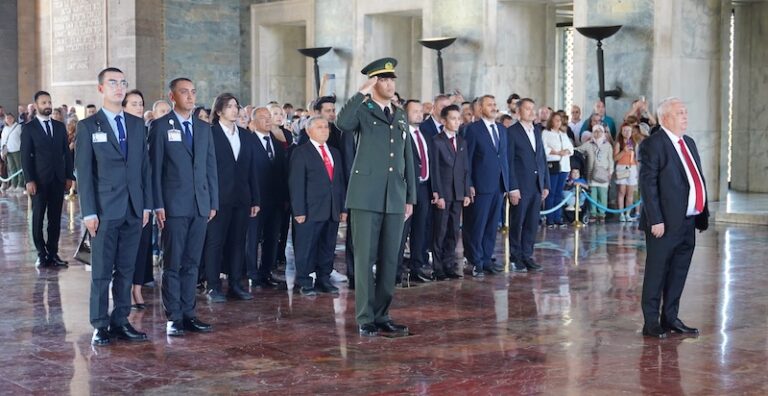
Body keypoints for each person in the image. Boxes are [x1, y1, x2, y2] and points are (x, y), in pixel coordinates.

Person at [336, 57, 416, 337]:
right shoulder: (363, 109)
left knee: (390, 259)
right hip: (366, 197)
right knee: (364, 257)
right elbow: (342, 123)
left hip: (394, 196)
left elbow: (408, 157)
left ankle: (383, 314)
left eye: (392, 79)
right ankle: (365, 317)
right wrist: (361, 92)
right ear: (373, 82)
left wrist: (410, 197)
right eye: (383, 79)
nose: (390, 84)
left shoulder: (400, 113)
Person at [75, 67, 152, 346]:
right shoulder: (88, 126)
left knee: (126, 268)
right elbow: (84, 173)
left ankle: (121, 320)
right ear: (100, 89)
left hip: (134, 208)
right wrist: (89, 212)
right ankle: (99, 324)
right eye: (112, 83)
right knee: (101, 270)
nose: (119, 88)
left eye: (123, 83)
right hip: (105, 210)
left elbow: (144, 169)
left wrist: (147, 206)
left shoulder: (135, 124)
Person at [150, 77, 218, 337]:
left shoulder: (203, 128)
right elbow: (155, 170)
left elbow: (210, 167)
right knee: (173, 263)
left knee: (192, 263)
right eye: (184, 92)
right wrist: (157, 204)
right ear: (172, 96)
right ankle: (174, 316)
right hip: (173, 206)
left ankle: (190, 313)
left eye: (193, 92)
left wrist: (212, 201)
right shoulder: (159, 127)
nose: (190, 96)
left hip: (200, 205)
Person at [639, 97, 708, 338]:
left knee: (679, 271)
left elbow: (695, 178)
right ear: (665, 118)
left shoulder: (688, 142)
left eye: (686, 112)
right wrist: (655, 219)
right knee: (657, 272)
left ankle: (670, 318)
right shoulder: (653, 144)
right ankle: (651, 322)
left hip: (688, 221)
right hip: (663, 223)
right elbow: (647, 186)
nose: (685, 116)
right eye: (680, 113)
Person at [202, 93, 260, 303]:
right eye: (230, 106)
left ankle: (236, 284)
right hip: (218, 199)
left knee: (238, 242)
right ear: (218, 111)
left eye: (236, 106)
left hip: (242, 198)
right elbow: (205, 170)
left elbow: (252, 169)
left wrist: (255, 199)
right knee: (215, 243)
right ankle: (213, 286)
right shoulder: (209, 133)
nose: (235, 110)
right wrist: (208, 200)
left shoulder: (245, 135)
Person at [289, 116, 346, 296]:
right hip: (309, 210)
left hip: (332, 209)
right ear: (309, 131)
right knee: (306, 246)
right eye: (319, 127)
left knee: (328, 246)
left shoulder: (335, 152)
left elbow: (340, 183)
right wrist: (298, 210)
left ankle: (324, 279)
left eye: (326, 127)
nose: (324, 130)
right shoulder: (301, 152)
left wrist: (343, 208)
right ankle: (304, 281)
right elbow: (296, 184)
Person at [20, 91, 75, 268]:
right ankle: (41, 253)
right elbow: (25, 157)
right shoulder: (29, 128)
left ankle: (52, 253)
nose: (48, 105)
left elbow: (66, 153)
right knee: (37, 218)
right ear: (36, 106)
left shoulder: (59, 127)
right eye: (44, 102)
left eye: (49, 102)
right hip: (39, 181)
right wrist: (29, 180)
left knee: (55, 219)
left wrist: (69, 176)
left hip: (58, 180)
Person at [463, 95, 509, 277]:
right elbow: (467, 159)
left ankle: (487, 258)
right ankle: (475, 261)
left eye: (495, 104)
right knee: (476, 225)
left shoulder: (501, 129)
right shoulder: (472, 130)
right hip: (480, 185)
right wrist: (469, 184)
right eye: (489, 105)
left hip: (498, 184)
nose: (493, 107)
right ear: (480, 108)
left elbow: (503, 158)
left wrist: (507, 183)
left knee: (492, 225)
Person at [246, 107, 289, 289]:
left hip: (276, 201)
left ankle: (266, 272)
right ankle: (252, 274)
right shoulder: (247, 142)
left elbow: (283, 173)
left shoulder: (278, 144)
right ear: (253, 122)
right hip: (255, 201)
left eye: (269, 117)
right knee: (253, 238)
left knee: (272, 237)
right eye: (263, 117)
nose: (268, 120)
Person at [507, 98, 549, 272]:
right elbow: (509, 162)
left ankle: (527, 254)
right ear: (518, 112)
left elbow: (542, 159)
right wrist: (513, 187)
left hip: (536, 185)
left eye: (533, 109)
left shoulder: (537, 130)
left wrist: (545, 183)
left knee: (532, 223)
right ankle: (515, 257)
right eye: (527, 109)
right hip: (521, 186)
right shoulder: (512, 132)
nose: (532, 112)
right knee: (518, 222)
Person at [120, 89, 153, 309]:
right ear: (123, 107)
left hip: (141, 200)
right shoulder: (115, 130)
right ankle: (124, 291)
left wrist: (148, 205)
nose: (139, 107)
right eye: (134, 103)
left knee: (142, 247)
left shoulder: (142, 129)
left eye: (141, 103)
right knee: (124, 250)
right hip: (118, 200)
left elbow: (146, 170)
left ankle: (137, 288)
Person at [430, 104, 470, 280]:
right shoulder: (436, 141)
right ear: (444, 121)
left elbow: (465, 169)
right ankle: (437, 267)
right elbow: (435, 169)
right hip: (444, 193)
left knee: (454, 231)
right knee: (440, 231)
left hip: (458, 193)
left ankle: (449, 264)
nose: (457, 122)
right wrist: (437, 193)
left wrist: (467, 192)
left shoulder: (462, 141)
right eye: (453, 118)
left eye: (458, 119)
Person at [398, 100, 433, 283]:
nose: (419, 114)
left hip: (424, 188)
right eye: (415, 111)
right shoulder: (400, 134)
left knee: (421, 230)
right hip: (405, 190)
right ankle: (395, 271)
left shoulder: (425, 134)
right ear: (405, 114)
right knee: (401, 232)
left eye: (421, 111)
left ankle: (416, 268)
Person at [576, 124, 613, 223]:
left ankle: (601, 214)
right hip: (591, 174)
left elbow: (610, 160)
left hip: (603, 174)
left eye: (600, 131)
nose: (598, 133)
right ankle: (593, 214)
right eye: (595, 131)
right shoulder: (589, 144)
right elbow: (578, 149)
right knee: (593, 195)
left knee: (603, 195)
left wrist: (610, 172)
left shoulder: (607, 145)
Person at [542, 112, 573, 227]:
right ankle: (549, 218)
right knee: (551, 192)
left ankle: (557, 217)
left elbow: (571, 147)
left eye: (560, 120)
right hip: (553, 164)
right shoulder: (546, 133)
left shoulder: (563, 134)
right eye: (556, 120)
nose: (558, 122)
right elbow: (544, 148)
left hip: (564, 165)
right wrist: (557, 152)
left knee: (559, 193)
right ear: (551, 121)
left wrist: (566, 151)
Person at [614, 123, 640, 221]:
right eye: (625, 130)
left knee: (630, 192)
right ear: (621, 131)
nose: (627, 132)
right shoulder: (618, 143)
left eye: (629, 130)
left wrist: (637, 171)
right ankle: (621, 214)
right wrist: (623, 151)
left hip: (632, 167)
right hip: (621, 167)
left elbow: (637, 158)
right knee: (621, 191)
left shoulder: (634, 143)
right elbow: (615, 158)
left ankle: (628, 213)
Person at [1, 113, 23, 192]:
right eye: (7, 118)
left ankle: (20, 185)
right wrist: (2, 152)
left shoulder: (19, 127)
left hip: (17, 150)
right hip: (8, 151)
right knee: (12, 168)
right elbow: (3, 141)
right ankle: (14, 184)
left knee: (19, 168)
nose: (9, 120)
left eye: (10, 118)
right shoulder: (5, 128)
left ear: (13, 119)